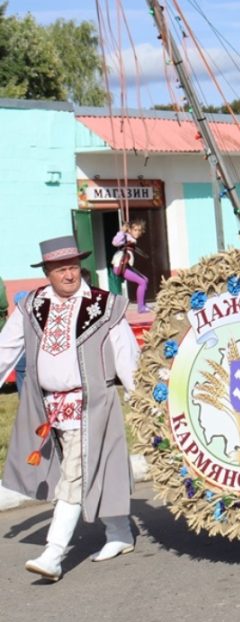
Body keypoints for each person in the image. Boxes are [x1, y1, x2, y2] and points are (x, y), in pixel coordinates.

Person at [0, 236, 140, 580]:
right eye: (60, 269)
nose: (68, 275)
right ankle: (120, 532)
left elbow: (126, 355)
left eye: (73, 267)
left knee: (75, 474)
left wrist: (143, 397)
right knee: (91, 468)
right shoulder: (32, 305)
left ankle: (54, 553)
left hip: (93, 404)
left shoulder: (105, 305)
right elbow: (6, 348)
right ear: (47, 272)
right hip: (47, 408)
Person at [111, 220, 150, 313]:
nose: (137, 232)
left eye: (139, 230)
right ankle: (141, 308)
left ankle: (143, 304)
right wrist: (122, 231)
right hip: (120, 267)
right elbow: (115, 243)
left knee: (145, 280)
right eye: (135, 230)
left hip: (126, 266)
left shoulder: (131, 239)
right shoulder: (126, 237)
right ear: (130, 230)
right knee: (142, 282)